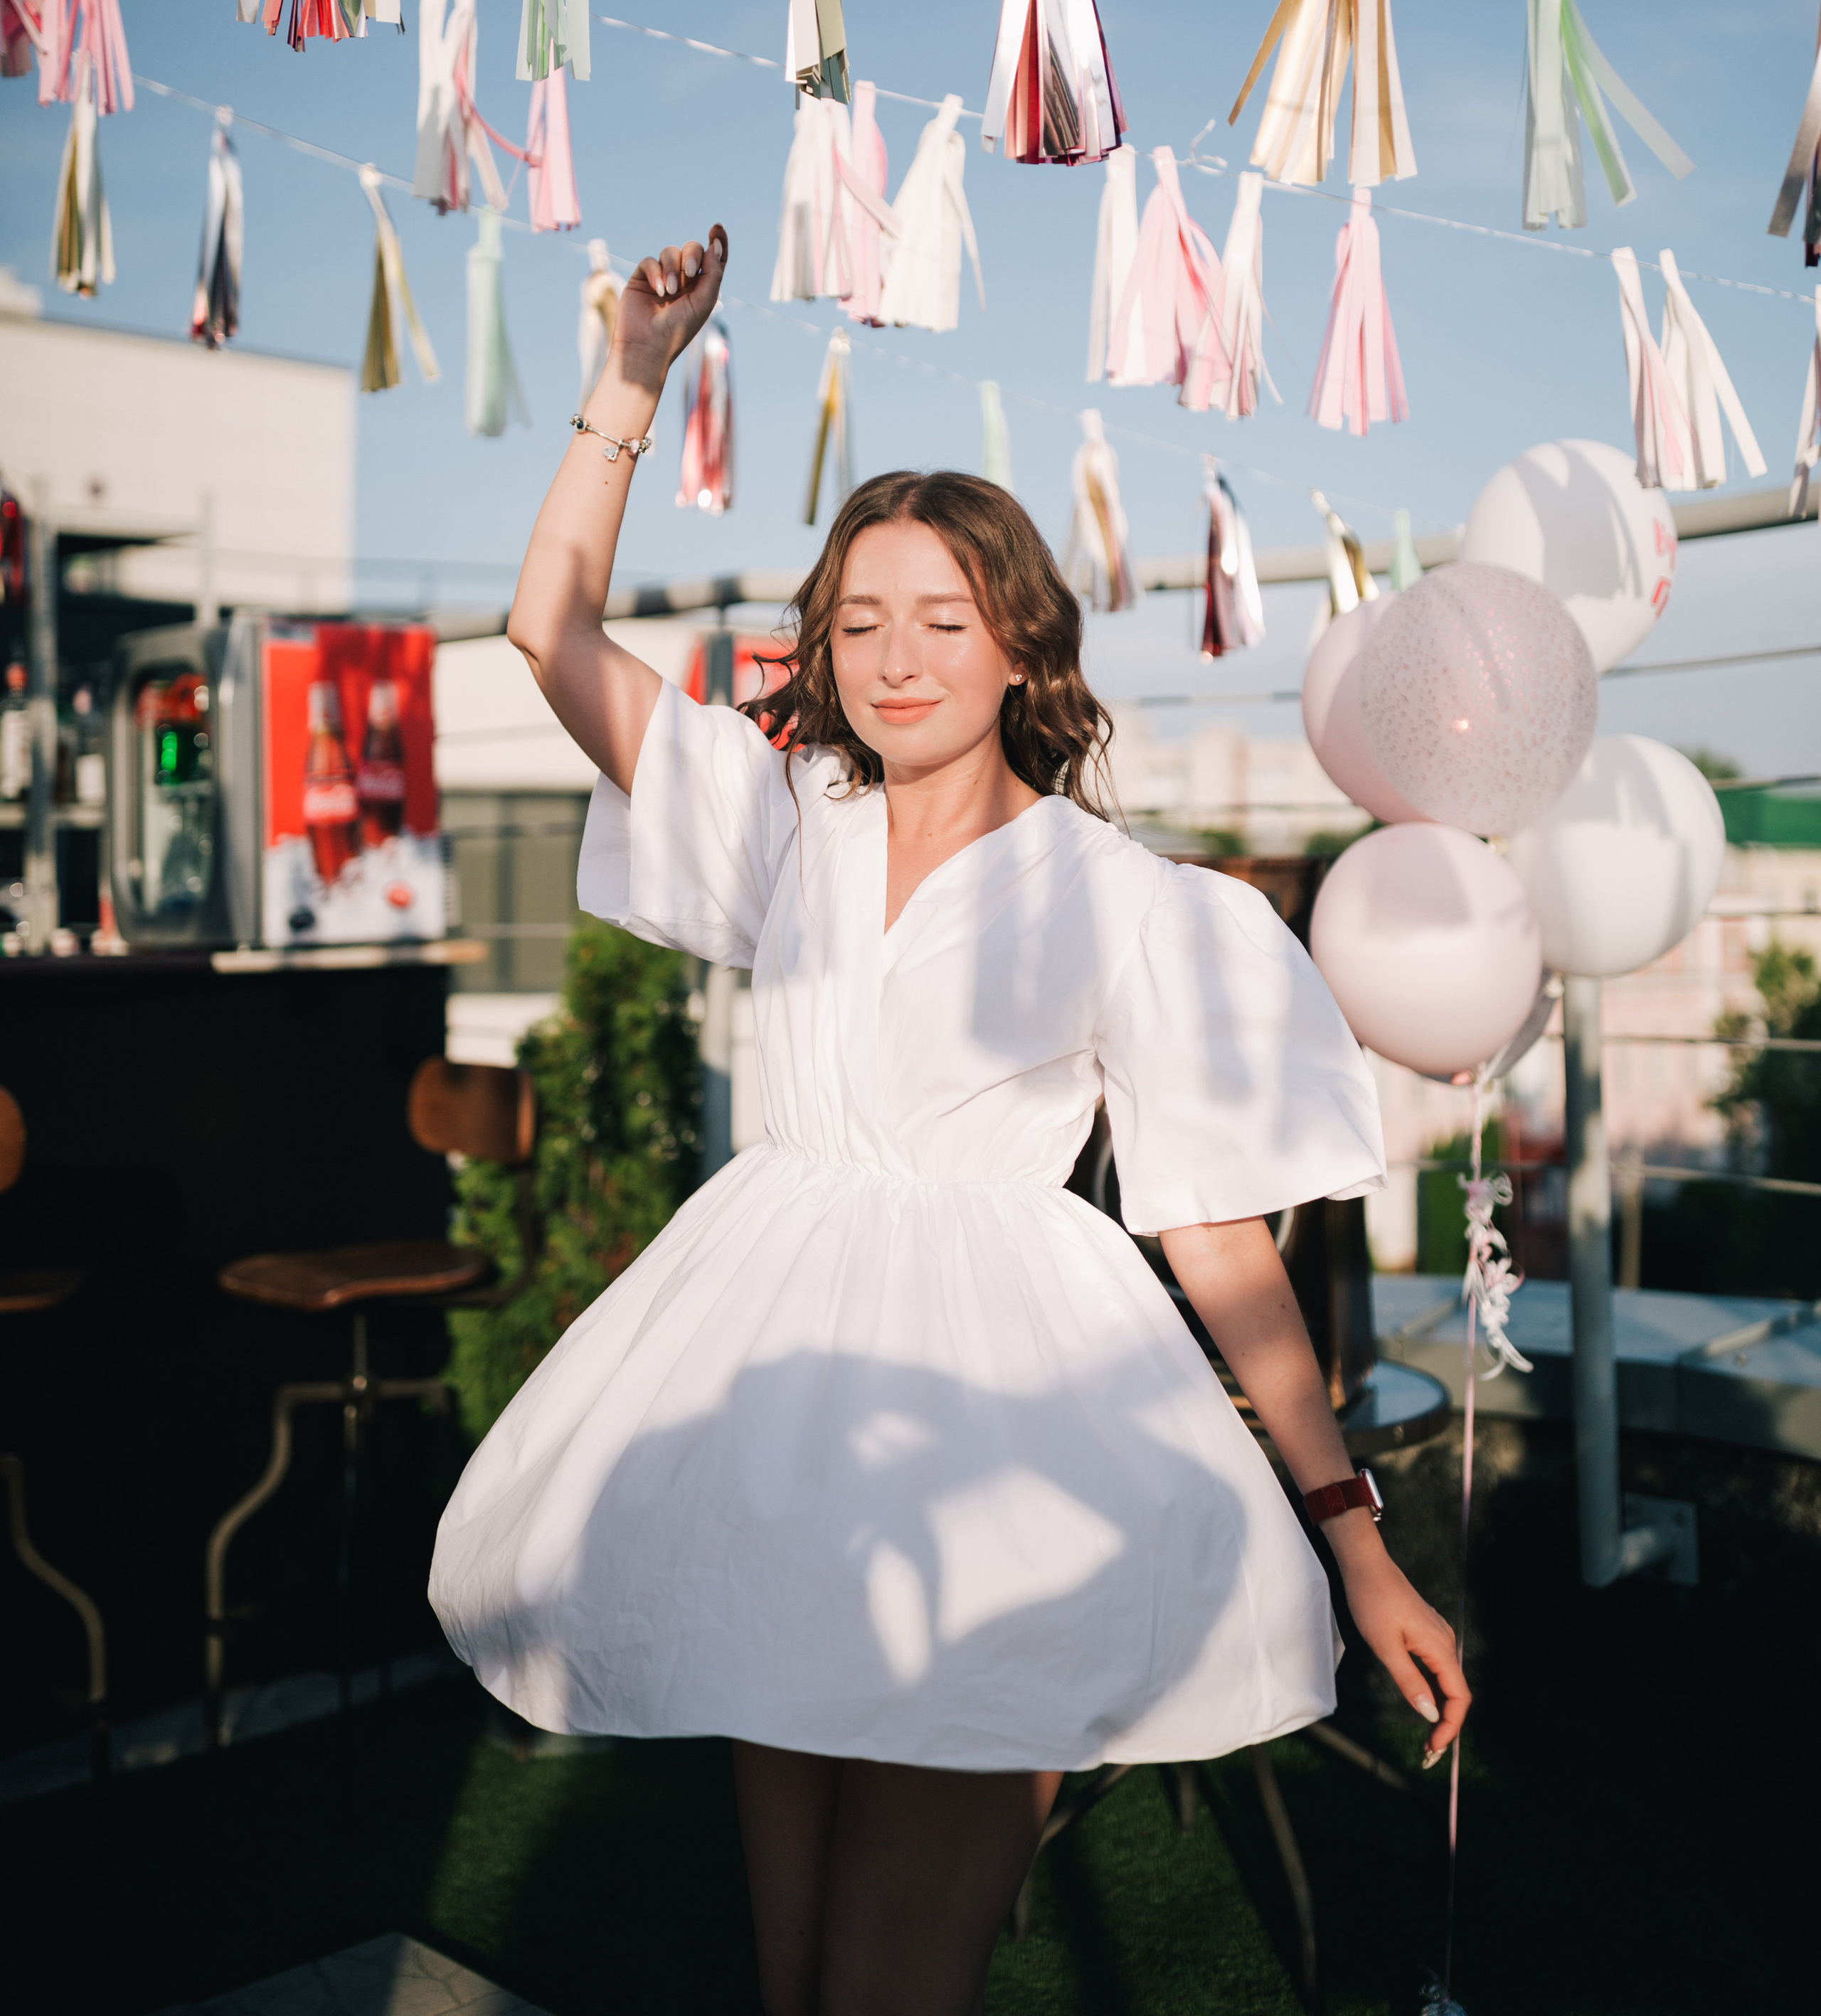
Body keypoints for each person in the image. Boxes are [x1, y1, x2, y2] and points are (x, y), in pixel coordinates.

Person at [430, 223, 1468, 2016]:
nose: (896, 658)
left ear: (1018, 645)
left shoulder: (1127, 901)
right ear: (819, 654)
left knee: (888, 1990)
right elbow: (548, 632)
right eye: (858, 622)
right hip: (774, 1440)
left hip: (994, 1450)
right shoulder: (782, 825)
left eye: (941, 619)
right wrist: (631, 379)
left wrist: (1350, 1531)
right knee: (795, 1984)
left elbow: (1213, 1235)